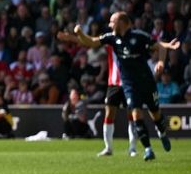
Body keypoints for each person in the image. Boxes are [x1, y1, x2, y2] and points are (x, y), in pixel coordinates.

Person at [70, 12, 176, 161]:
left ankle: (162, 132)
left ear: (122, 23)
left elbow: (161, 48)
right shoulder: (112, 38)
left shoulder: (139, 36)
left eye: (112, 22)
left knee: (155, 113)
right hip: (129, 85)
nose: (109, 25)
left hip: (146, 82)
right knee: (136, 115)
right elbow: (92, 42)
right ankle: (148, 149)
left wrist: (160, 62)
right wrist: (80, 33)